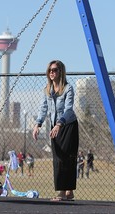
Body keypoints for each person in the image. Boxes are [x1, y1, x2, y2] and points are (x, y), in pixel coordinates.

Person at [32, 60, 79, 201]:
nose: (51, 72)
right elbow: (43, 108)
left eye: (54, 70)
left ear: (61, 72)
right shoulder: (47, 90)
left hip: (68, 125)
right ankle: (66, 191)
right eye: (50, 70)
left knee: (68, 158)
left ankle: (64, 192)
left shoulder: (68, 88)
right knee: (58, 158)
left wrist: (59, 124)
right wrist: (37, 124)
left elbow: (68, 109)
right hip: (55, 127)